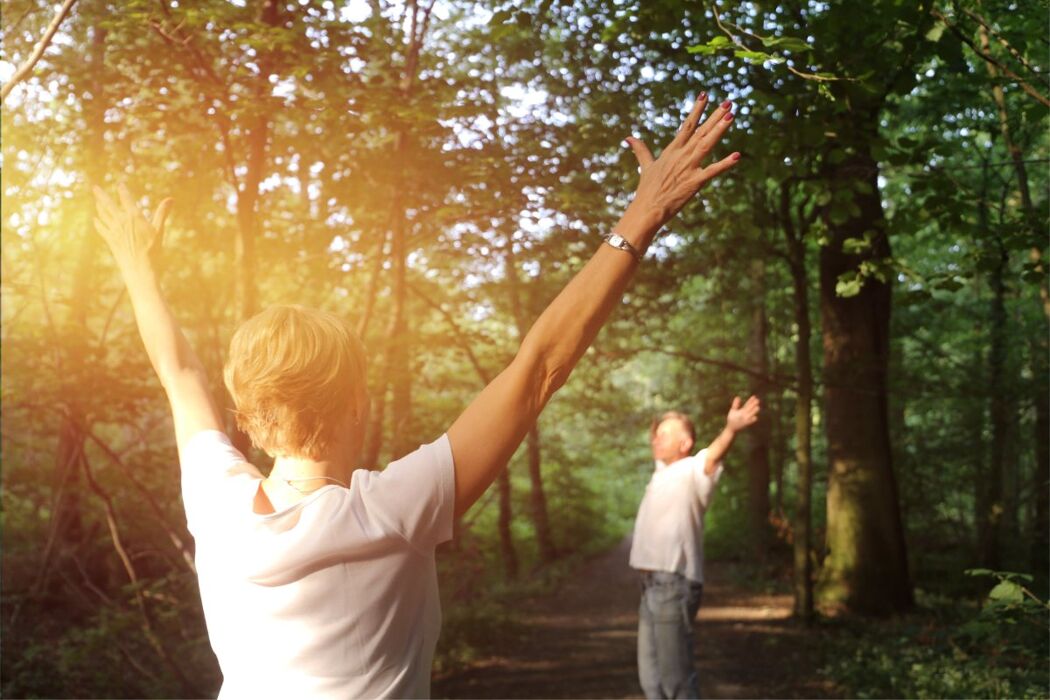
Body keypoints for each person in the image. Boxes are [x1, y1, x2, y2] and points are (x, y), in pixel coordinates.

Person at [91, 91, 740, 699]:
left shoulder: (217, 502)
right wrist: (642, 215)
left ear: (251, 418)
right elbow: (538, 366)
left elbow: (178, 373)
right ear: (357, 403)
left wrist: (135, 266)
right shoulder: (395, 511)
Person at [631, 398, 761, 699]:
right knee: (651, 681)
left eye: (665, 434)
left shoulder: (693, 470)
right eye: (656, 434)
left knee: (675, 680)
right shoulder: (660, 474)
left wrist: (730, 429)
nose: (656, 438)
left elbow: (713, 455)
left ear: (686, 443)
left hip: (673, 584)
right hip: (649, 587)